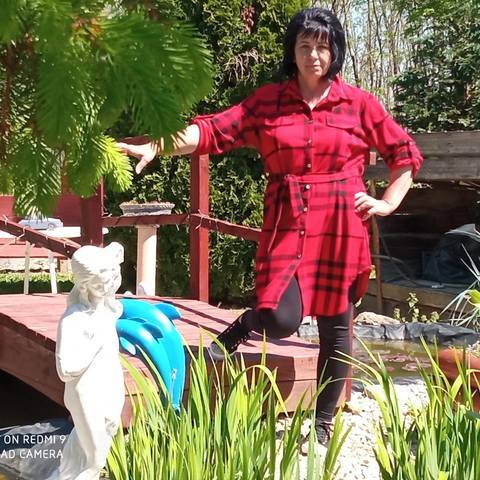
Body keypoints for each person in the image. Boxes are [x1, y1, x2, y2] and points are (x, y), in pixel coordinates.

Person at [117, 7, 423, 446]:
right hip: (288, 221)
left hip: (340, 226)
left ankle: (323, 424)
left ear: (335, 51)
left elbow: (405, 154)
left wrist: (387, 202)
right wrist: (158, 144)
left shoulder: (360, 104)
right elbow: (213, 131)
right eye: (305, 45)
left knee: (337, 328)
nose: (314, 55)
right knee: (280, 318)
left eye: (323, 46)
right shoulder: (268, 102)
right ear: (292, 52)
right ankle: (247, 324)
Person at [49, 243, 125, 480]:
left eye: (111, 278)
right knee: (95, 461)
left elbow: (111, 355)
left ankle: (61, 475)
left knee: (87, 450)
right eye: (100, 283)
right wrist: (94, 345)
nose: (108, 286)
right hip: (84, 393)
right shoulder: (74, 319)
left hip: (107, 386)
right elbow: (65, 369)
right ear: (84, 285)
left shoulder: (109, 311)